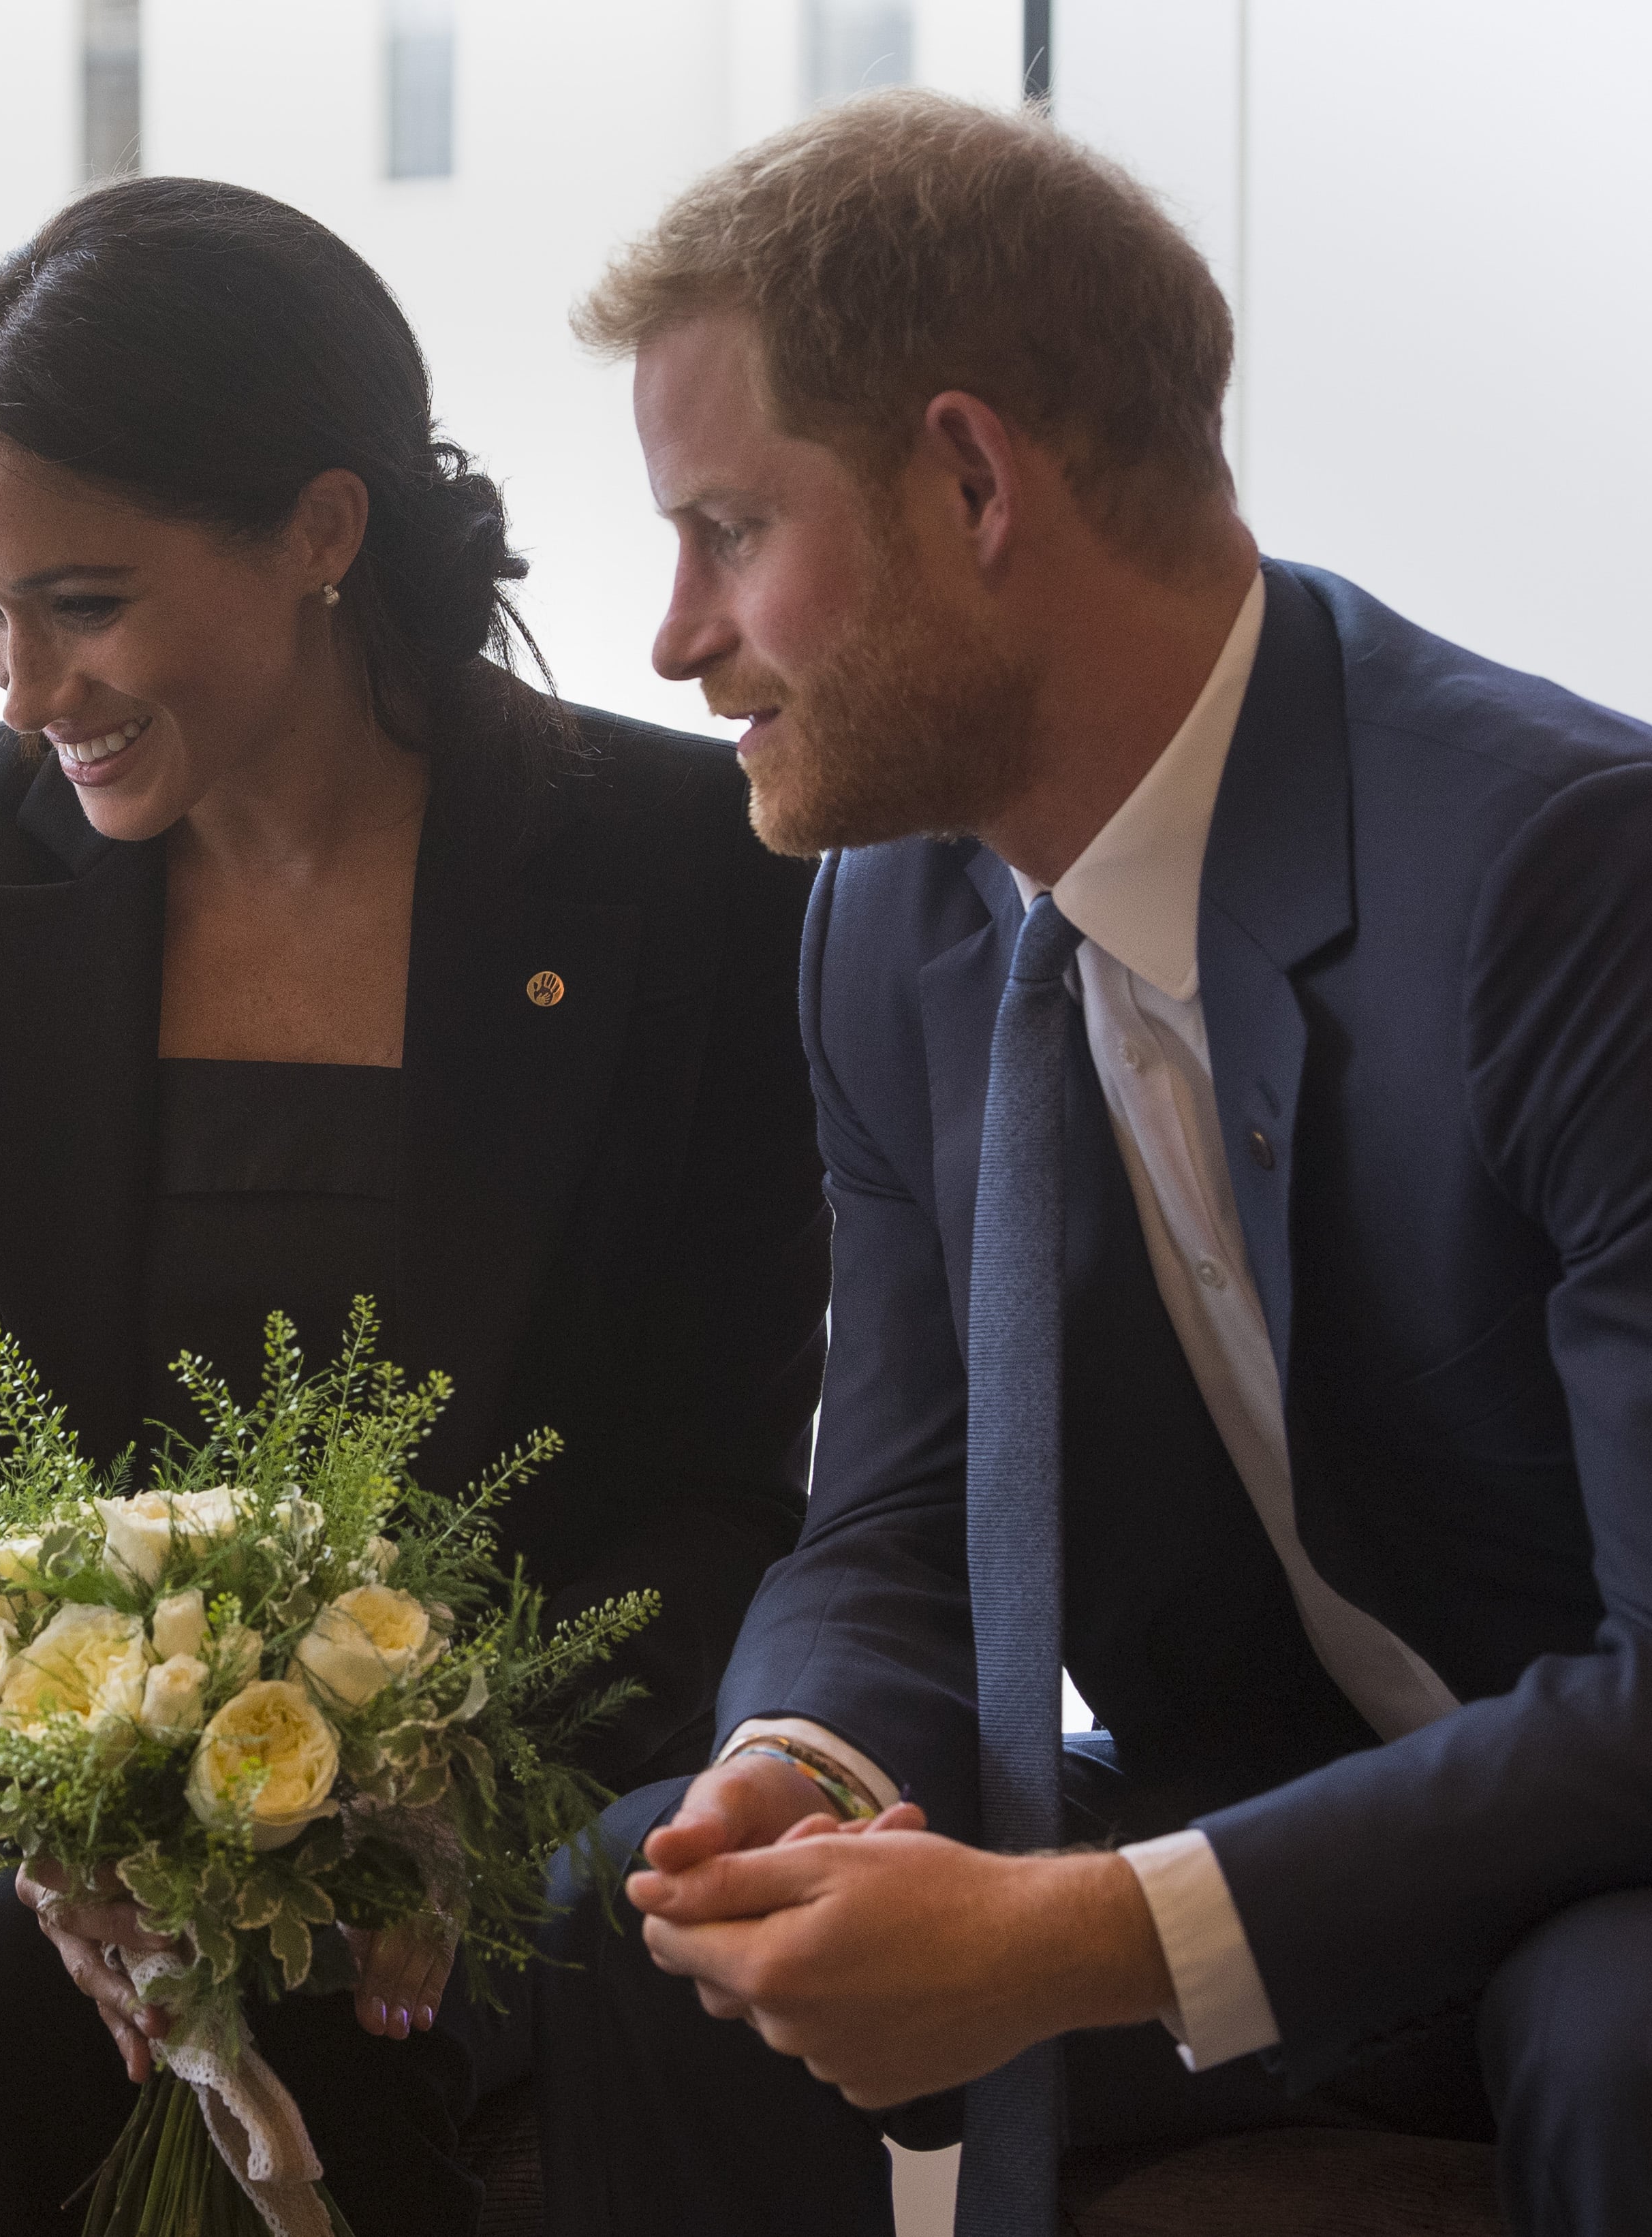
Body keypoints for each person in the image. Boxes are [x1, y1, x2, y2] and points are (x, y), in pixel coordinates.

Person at [0, 174, 871, 2237]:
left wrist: (413, 1776)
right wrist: (66, 1796)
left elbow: (711, 1485)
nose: (19, 688)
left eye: (79, 602)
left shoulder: (689, 873)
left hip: (504, 1746)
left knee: (345, 1998)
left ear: (319, 535)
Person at [578, 91, 1652, 2237]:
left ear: (969, 478)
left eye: (721, 527)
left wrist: (1083, 1931)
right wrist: (804, 1770)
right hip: (1280, 1792)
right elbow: (892, 1503)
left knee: (1622, 2028)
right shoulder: (886, 921)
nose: (672, 636)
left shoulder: (1558, 872)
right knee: (632, 1927)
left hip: (1597, 1840)